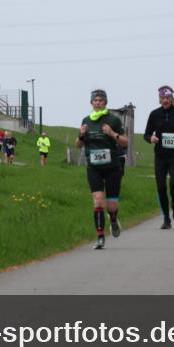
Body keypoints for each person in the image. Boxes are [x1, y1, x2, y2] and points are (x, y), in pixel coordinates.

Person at [76, 89, 128, 250]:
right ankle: (100, 237)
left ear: (106, 102)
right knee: (98, 201)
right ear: (91, 103)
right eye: (95, 100)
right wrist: (81, 135)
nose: (98, 103)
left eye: (101, 100)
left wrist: (112, 133)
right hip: (94, 168)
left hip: (112, 167)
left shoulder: (114, 120)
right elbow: (78, 145)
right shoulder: (86, 120)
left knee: (112, 205)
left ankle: (113, 219)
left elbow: (125, 143)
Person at [143, 85, 174, 229]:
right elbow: (147, 134)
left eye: (168, 98)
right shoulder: (154, 114)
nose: (165, 100)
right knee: (160, 187)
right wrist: (150, 138)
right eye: (162, 98)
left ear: (172, 99)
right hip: (160, 156)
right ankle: (166, 218)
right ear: (159, 99)